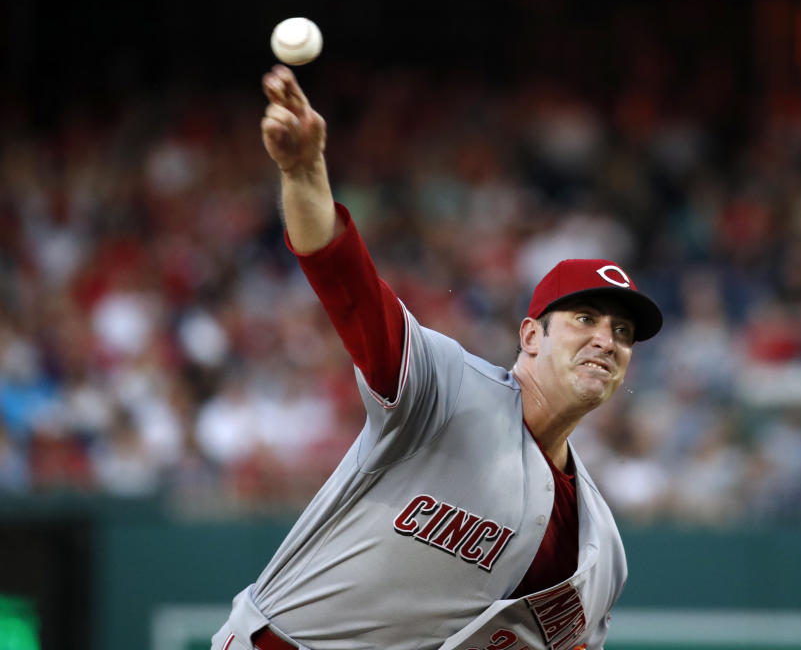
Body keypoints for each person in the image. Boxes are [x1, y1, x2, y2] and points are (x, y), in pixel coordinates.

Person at [211, 65, 663, 650]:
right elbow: (348, 284)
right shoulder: (446, 386)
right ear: (531, 336)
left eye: (623, 331)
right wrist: (303, 173)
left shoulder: (599, 552)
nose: (607, 339)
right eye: (585, 320)